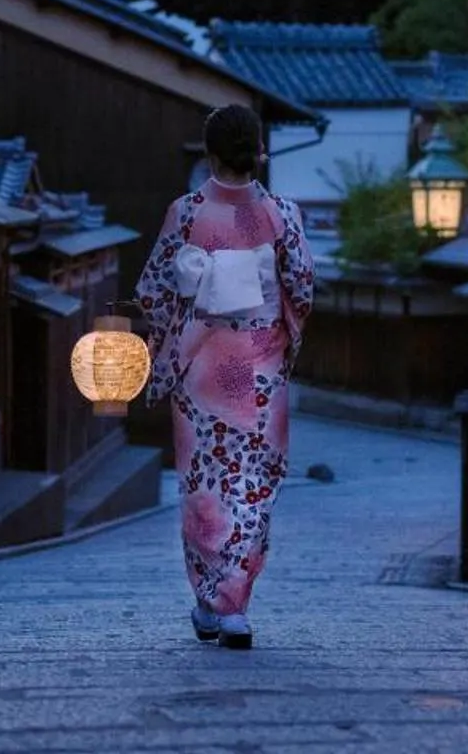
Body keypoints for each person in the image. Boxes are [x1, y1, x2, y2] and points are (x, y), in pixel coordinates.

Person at [134, 103, 314, 650]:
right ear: (258, 150)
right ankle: (233, 606)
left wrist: (173, 331)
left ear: (210, 154)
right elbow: (302, 289)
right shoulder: (282, 214)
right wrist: (280, 340)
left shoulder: (186, 213)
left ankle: (211, 602)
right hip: (259, 370)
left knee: (204, 488)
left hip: (203, 372)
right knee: (253, 487)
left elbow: (153, 291)